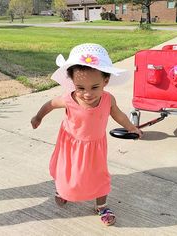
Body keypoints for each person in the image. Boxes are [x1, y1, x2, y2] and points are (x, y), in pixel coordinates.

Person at [31, 43, 142, 226]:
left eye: (94, 87)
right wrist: (38, 117)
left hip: (95, 146)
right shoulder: (69, 98)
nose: (87, 94)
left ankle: (102, 206)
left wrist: (131, 127)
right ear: (72, 82)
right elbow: (50, 104)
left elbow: (118, 115)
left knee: (99, 176)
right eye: (80, 87)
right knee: (69, 175)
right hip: (71, 144)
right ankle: (63, 191)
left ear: (106, 81)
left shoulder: (108, 99)